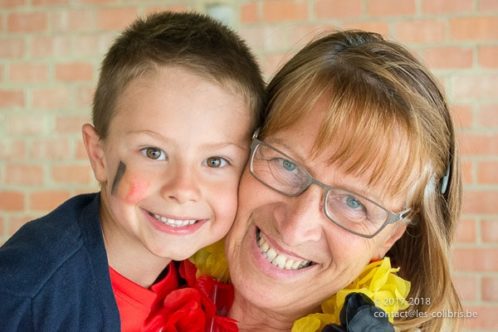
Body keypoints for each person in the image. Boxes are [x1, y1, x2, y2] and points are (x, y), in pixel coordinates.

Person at [0, 11, 264, 331]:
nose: (183, 188)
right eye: (154, 152)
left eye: (215, 162)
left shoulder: (210, 272)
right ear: (99, 156)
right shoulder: (25, 294)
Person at [222, 30, 462, 331]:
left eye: (353, 203)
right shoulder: (156, 270)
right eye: (287, 164)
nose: (295, 228)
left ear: (391, 236)